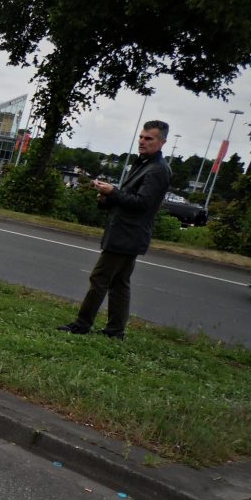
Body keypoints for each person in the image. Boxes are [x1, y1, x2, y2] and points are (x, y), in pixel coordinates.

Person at [58, 120, 172, 340]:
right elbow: (128, 199)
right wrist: (107, 197)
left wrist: (113, 192)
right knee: (119, 283)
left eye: (149, 139)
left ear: (162, 142)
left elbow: (142, 203)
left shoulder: (157, 169)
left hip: (128, 234)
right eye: (141, 137)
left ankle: (82, 324)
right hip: (126, 232)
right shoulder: (144, 163)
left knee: (100, 279)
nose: (142, 142)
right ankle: (115, 331)